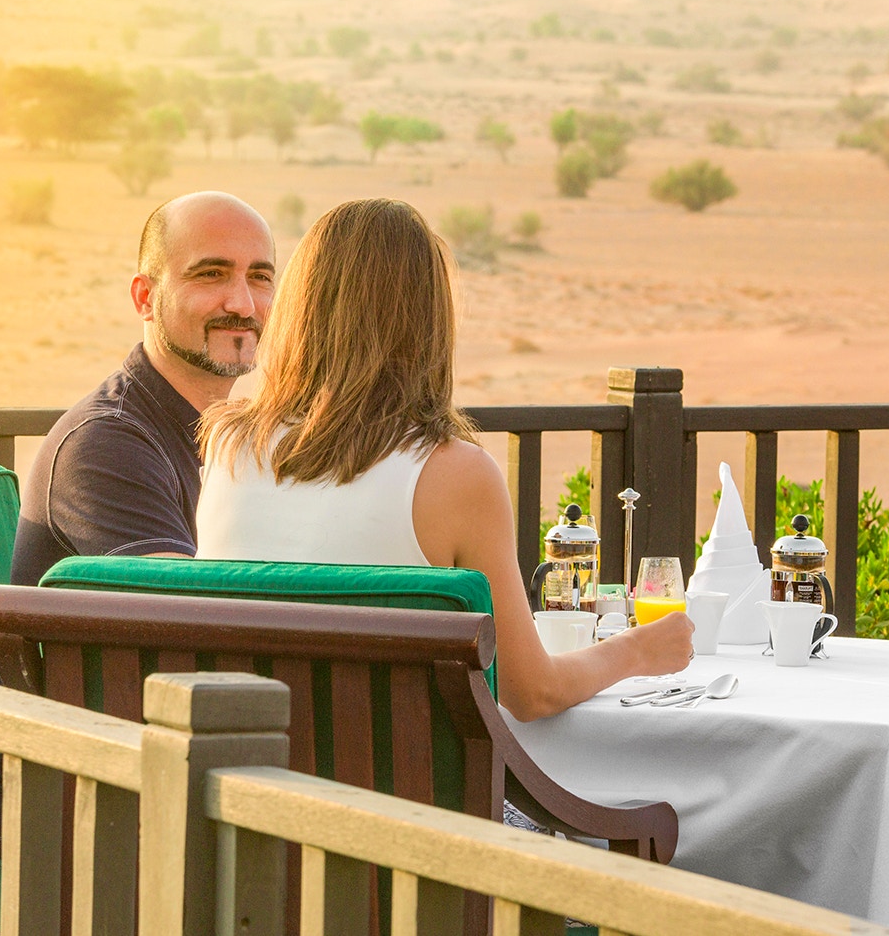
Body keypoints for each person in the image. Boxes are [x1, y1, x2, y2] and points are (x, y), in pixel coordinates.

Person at [196, 197, 693, 721]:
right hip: (402, 798)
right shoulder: (453, 473)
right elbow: (532, 693)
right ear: (428, 322)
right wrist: (637, 650)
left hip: (252, 781)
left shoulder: (230, 447)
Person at [10, 191, 277, 585]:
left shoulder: (224, 435)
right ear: (145, 298)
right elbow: (189, 615)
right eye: (210, 274)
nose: (243, 304)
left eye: (260, 277)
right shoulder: (106, 444)